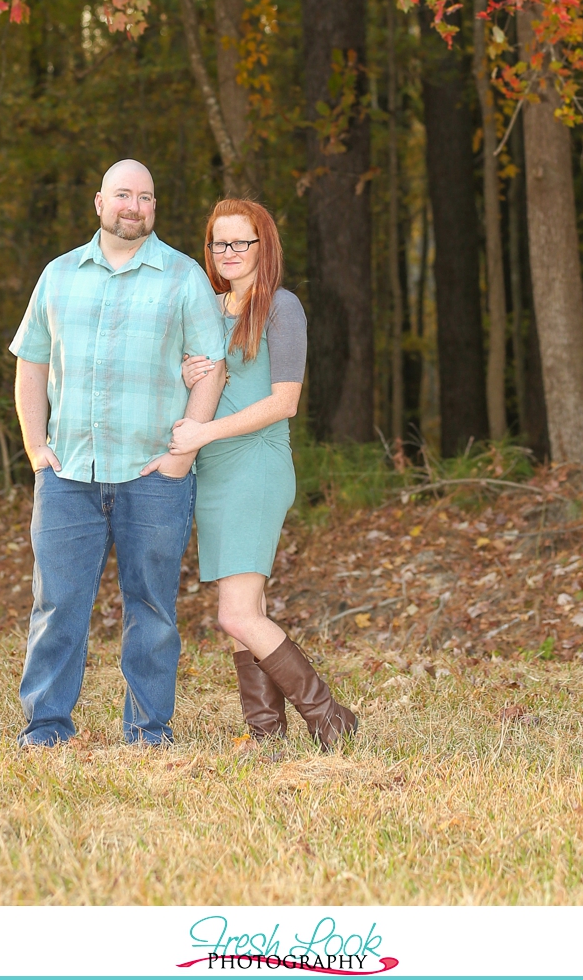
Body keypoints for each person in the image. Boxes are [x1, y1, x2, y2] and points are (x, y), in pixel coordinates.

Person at [10, 158, 227, 748]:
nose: (135, 206)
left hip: (153, 473)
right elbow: (31, 365)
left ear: (155, 208)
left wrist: (185, 448)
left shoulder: (184, 278)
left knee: (152, 610)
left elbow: (212, 367)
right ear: (99, 202)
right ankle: (47, 726)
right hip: (69, 473)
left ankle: (148, 730)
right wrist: (36, 448)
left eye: (147, 197)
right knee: (57, 608)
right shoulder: (58, 275)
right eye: (124, 195)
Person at [164, 197, 358, 750]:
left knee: (236, 614)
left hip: (256, 465)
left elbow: (284, 402)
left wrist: (203, 434)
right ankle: (267, 735)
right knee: (248, 609)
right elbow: (201, 388)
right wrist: (184, 370)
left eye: (240, 242)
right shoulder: (207, 309)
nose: (228, 252)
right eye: (218, 243)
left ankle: (330, 717)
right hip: (215, 473)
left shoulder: (281, 307)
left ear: (262, 247)